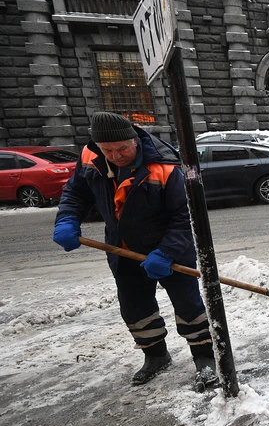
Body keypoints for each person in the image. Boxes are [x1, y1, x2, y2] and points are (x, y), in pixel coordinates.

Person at [52, 112, 217, 390]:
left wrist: (166, 252)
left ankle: (204, 358)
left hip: (169, 247)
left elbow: (184, 214)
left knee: (188, 304)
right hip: (122, 248)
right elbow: (76, 193)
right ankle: (156, 355)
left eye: (122, 149)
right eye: (108, 150)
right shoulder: (90, 158)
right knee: (134, 306)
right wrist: (67, 219)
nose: (116, 156)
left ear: (135, 141)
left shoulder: (163, 166)